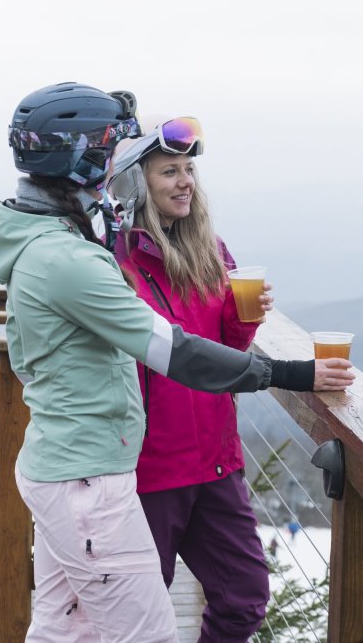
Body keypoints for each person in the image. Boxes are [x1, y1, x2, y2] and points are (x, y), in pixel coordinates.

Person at [0, 82, 354, 643]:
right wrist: (289, 375)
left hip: (94, 465)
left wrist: (242, 316)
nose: (111, 170)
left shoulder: (57, 244)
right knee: (141, 631)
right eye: (111, 153)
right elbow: (172, 351)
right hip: (99, 474)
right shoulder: (74, 257)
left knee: (69, 630)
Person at [106, 115, 275, 642]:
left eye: (188, 170)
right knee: (139, 618)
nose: (185, 181)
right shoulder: (114, 261)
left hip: (216, 461)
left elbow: (225, 353)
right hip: (149, 469)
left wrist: (244, 318)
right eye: (168, 171)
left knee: (244, 597)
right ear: (136, 184)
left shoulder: (211, 250)